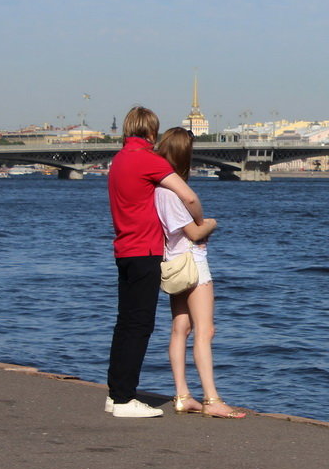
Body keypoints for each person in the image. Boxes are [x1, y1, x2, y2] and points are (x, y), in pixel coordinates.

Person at [105, 107, 205, 418]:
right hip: (145, 251)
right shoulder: (149, 160)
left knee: (124, 324)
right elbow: (187, 196)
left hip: (124, 249)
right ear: (152, 132)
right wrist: (201, 221)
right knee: (140, 325)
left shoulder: (119, 160)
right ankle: (124, 400)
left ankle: (115, 392)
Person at [154, 127, 246, 419]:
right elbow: (194, 232)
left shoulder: (156, 190)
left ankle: (182, 395)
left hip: (172, 263)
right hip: (193, 264)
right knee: (205, 331)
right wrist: (212, 223)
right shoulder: (174, 191)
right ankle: (212, 399)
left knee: (180, 329)